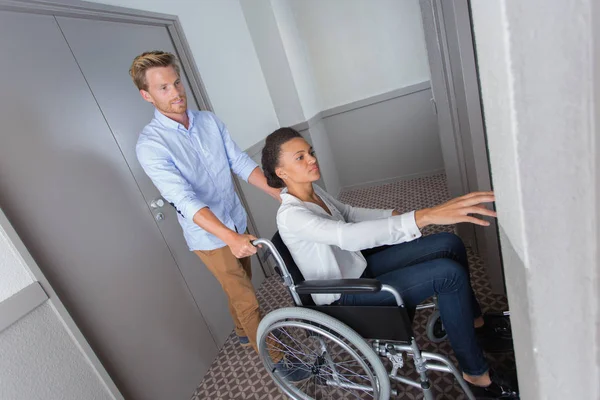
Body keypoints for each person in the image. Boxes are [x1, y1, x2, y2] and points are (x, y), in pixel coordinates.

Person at [261, 127, 519, 398]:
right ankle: (477, 378)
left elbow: (348, 213)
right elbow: (346, 236)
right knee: (448, 275)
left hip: (358, 267)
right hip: (345, 295)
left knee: (448, 243)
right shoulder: (292, 216)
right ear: (282, 172)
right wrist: (422, 216)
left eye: (310, 152)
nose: (312, 159)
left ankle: (475, 326)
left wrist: (394, 214)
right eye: (300, 157)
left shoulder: (315, 193)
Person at [129, 51, 309, 381]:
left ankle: (243, 333)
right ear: (147, 95)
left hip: (235, 220)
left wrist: (283, 194)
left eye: (177, 82)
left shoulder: (208, 121)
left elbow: (239, 163)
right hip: (211, 238)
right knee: (246, 297)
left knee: (238, 285)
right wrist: (229, 237)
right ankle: (279, 361)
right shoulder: (151, 145)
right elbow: (183, 198)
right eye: (163, 88)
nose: (176, 93)